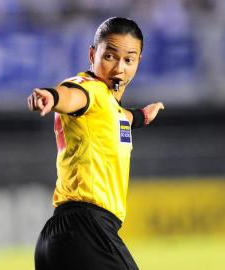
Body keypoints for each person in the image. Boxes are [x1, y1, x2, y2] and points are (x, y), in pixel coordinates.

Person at [27, 17, 164, 270]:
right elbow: (70, 96)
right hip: (87, 229)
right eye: (110, 56)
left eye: (129, 59)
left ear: (138, 62)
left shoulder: (112, 108)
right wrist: (52, 96)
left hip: (59, 237)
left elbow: (122, 118)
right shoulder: (90, 89)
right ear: (92, 54)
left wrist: (144, 116)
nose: (119, 68)